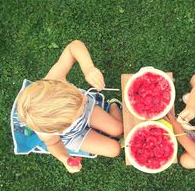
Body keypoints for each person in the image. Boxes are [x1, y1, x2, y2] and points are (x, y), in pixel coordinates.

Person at [16, 40, 123, 173]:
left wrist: (88, 68)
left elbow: (74, 46)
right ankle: (106, 115)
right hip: (73, 135)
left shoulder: (54, 80)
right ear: (61, 129)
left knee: (118, 129)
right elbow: (53, 144)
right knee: (114, 150)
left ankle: (113, 104)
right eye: (78, 109)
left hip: (87, 112)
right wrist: (65, 159)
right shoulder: (47, 131)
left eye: (74, 90)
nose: (84, 98)